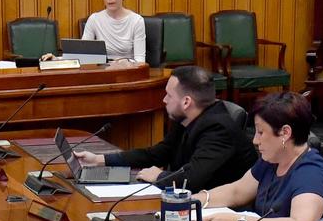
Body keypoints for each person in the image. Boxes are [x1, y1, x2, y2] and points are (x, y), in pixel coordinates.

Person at [73, 66, 253, 191]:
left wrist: (160, 176)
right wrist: (100, 160)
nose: (164, 100)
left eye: (169, 95)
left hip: (220, 211)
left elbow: (192, 179)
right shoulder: (187, 117)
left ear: (186, 102)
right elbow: (158, 153)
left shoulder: (218, 129)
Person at [197, 92, 323, 221]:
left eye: (260, 132)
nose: (255, 140)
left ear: (285, 133)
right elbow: (237, 191)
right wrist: (192, 201)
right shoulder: (272, 159)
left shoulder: (311, 173)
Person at [81, 0, 145, 63]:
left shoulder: (136, 21)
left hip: (127, 72)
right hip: (102, 71)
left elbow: (141, 61)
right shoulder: (94, 19)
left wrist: (126, 63)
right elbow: (83, 55)